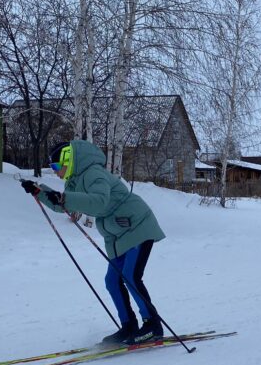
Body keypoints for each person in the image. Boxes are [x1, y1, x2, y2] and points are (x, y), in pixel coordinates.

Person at [21, 140, 167, 346]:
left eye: (55, 166)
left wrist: (63, 198)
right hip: (118, 234)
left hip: (137, 226)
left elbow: (99, 202)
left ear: (68, 160)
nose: (55, 172)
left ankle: (152, 326)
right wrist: (40, 192)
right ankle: (129, 326)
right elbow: (64, 205)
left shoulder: (94, 174)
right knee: (112, 281)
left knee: (132, 277)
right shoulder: (75, 181)